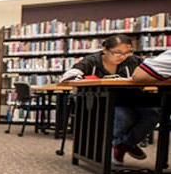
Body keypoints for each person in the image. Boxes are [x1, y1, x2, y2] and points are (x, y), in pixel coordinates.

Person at [59, 34, 159, 163]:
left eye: (127, 52)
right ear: (105, 50)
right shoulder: (92, 61)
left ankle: (124, 145)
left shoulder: (133, 60)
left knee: (154, 113)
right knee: (125, 117)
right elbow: (71, 74)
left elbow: (152, 71)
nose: (123, 57)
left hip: (132, 97)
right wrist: (78, 78)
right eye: (117, 52)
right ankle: (115, 145)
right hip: (103, 101)